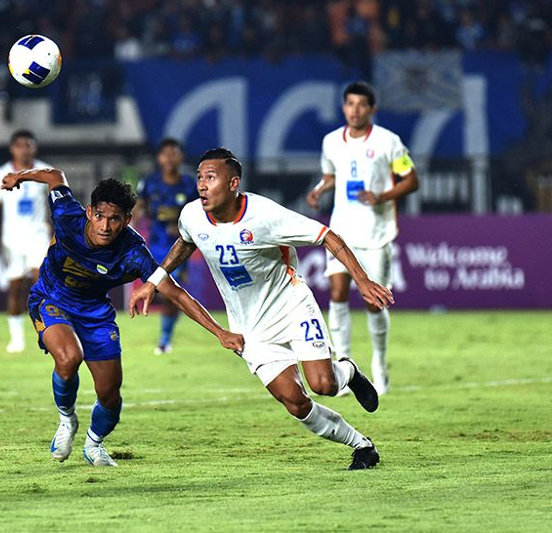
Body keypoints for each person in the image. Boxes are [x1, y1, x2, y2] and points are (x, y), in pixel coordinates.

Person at [130, 148, 394, 470]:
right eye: (199, 177)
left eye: (210, 178)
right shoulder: (192, 215)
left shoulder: (265, 215)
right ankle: (362, 446)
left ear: (232, 183)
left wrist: (362, 281)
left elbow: (326, 236)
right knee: (296, 403)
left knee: (324, 385)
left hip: (290, 305)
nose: (201, 185)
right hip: (248, 326)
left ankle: (348, 370)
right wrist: (154, 280)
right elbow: (186, 241)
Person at [1, 166, 243, 466]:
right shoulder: (66, 216)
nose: (105, 226)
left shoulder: (133, 252)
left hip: (96, 313)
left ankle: (93, 444)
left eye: (114, 219)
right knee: (68, 358)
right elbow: (55, 175)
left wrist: (220, 332)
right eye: (100, 216)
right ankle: (66, 420)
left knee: (110, 396)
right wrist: (20, 177)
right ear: (89, 212)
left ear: (127, 220)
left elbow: (177, 293)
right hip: (51, 299)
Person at [307, 82, 418, 394]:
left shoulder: (388, 142)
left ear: (372, 109)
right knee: (338, 293)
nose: (355, 110)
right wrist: (319, 189)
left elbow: (411, 180)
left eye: (361, 104)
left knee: (374, 302)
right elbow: (331, 175)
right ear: (343, 108)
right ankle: (345, 369)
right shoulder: (331, 142)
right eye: (350, 104)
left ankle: (380, 365)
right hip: (341, 232)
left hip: (376, 233)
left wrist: (382, 196)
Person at [0, 130, 52, 352]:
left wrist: (56, 230)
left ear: (34, 148)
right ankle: (16, 338)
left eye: (28, 145)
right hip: (12, 239)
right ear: (12, 148)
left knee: (40, 283)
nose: (24, 149)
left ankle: (46, 333)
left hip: (38, 235)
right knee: (15, 288)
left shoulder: (45, 172)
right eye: (19, 145)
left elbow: (55, 203)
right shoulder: (0, 174)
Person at [134, 137, 198, 354]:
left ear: (181, 157)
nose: (169, 158)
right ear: (159, 158)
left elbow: (202, 212)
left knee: (172, 292)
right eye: (165, 153)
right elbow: (138, 208)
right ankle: (165, 334)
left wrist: (184, 227)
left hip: (180, 247)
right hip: (156, 245)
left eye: (174, 153)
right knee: (159, 291)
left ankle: (164, 339)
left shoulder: (191, 185)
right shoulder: (149, 183)